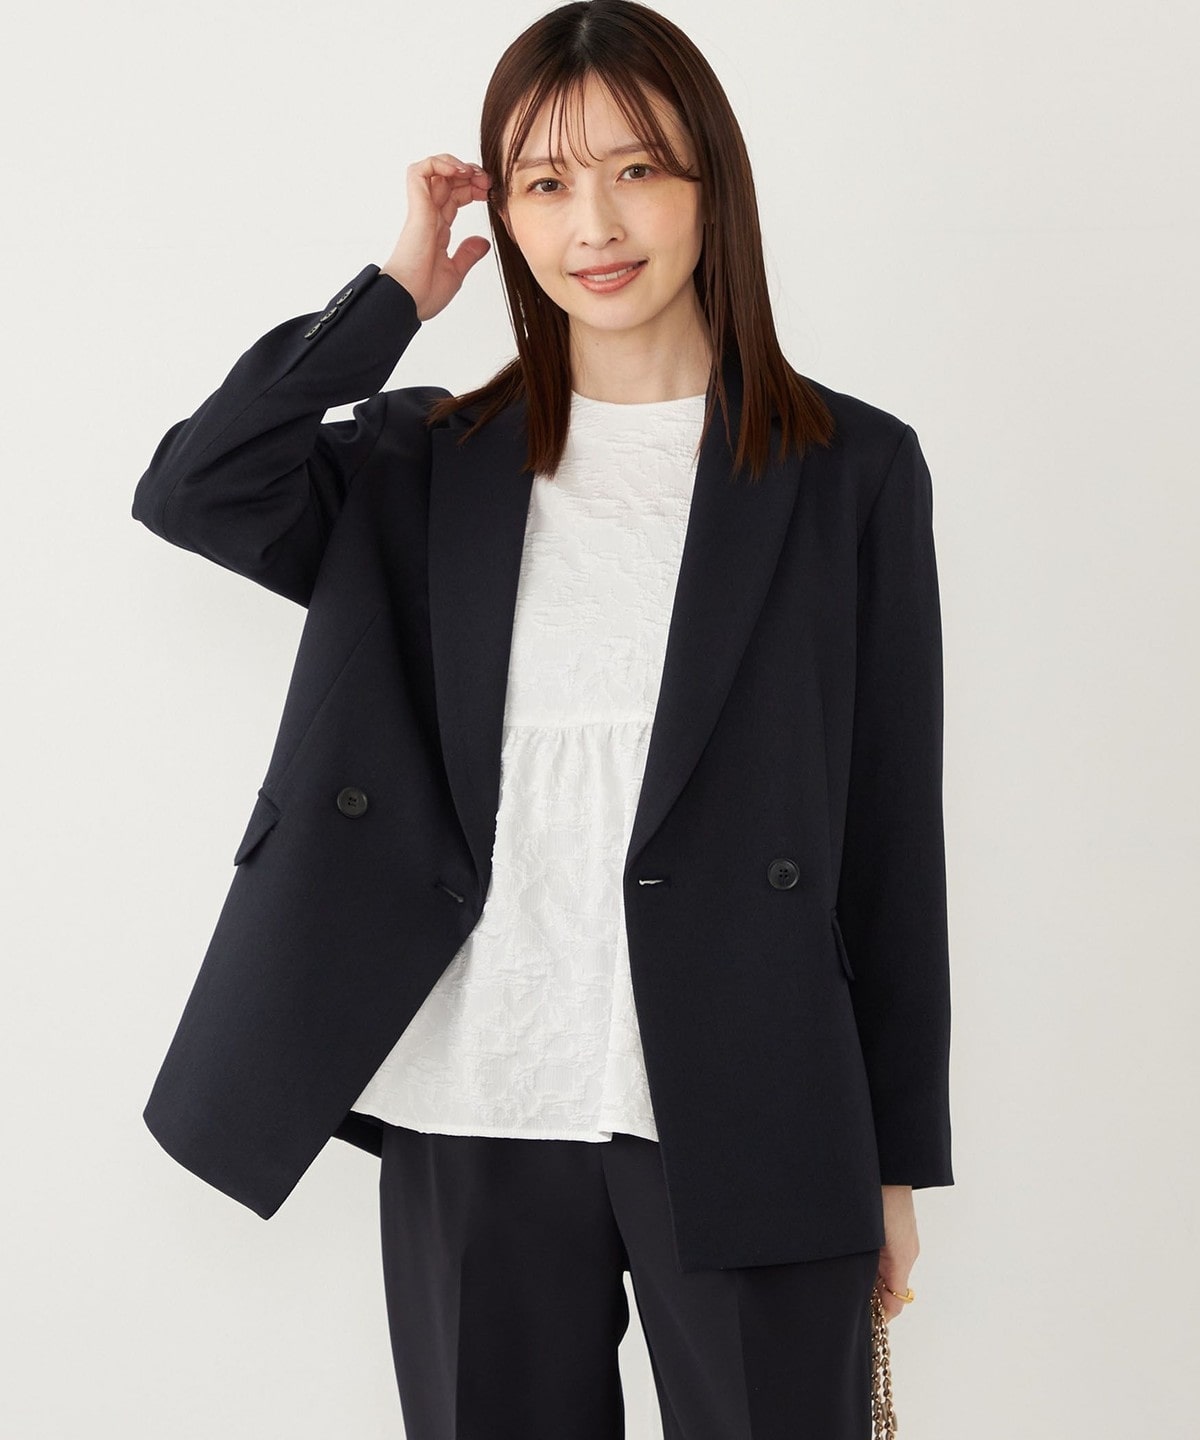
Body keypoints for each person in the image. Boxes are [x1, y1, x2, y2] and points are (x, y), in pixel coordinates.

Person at [132, 2, 952, 1436]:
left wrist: (890, 1160)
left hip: (755, 1099)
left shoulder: (848, 468)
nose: (596, 224)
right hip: (476, 1093)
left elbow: (887, 828)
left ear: (711, 184)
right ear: (502, 214)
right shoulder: (421, 464)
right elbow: (201, 486)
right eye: (547, 182)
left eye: (638, 171)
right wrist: (392, 297)